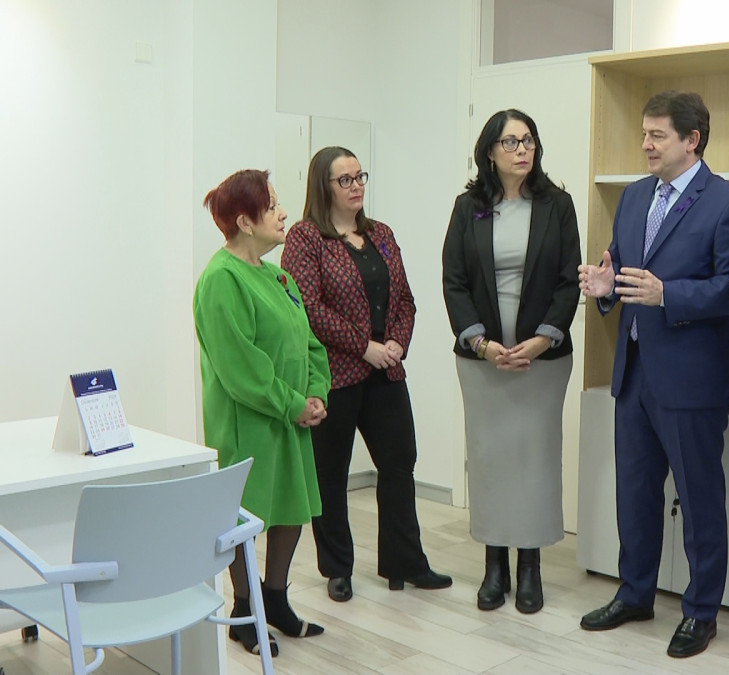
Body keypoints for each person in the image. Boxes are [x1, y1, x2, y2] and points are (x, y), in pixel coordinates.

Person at [577, 90, 729, 658]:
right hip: (634, 373)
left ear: (692, 140)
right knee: (634, 493)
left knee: (700, 499)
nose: (646, 143)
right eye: (645, 133)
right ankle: (635, 593)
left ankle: (701, 612)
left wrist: (667, 294)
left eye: (657, 135)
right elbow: (619, 265)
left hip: (693, 379)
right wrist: (607, 291)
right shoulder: (634, 196)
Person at [280, 147, 451, 603]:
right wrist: (365, 347)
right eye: (345, 180)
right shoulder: (305, 238)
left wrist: (395, 344)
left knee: (399, 465)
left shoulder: (381, 234)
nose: (356, 186)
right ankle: (337, 568)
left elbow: (406, 300)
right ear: (324, 187)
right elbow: (308, 308)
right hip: (335, 374)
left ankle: (405, 563)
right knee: (330, 473)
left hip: (386, 373)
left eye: (360, 177)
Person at [442, 109, 581, 614]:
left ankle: (530, 569)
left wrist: (542, 340)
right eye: (511, 142)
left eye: (529, 141)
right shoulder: (468, 207)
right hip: (483, 362)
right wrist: (481, 343)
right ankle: (493, 566)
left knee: (535, 460)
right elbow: (453, 280)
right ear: (490, 153)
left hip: (541, 362)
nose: (522, 150)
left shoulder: (557, 205)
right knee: (490, 460)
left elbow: (569, 280)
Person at [193, 169, 331, 656]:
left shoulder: (279, 275)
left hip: (291, 420)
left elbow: (308, 341)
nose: (284, 213)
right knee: (247, 518)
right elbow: (241, 369)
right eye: (273, 206)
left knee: (290, 507)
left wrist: (317, 395)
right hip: (251, 423)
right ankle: (243, 613)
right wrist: (294, 405)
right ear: (245, 222)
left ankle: (276, 601)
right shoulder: (220, 280)